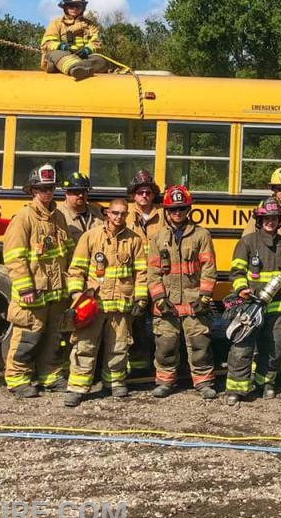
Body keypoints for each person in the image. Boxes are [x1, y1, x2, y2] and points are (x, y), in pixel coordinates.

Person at [63, 198, 147, 407]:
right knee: (85, 345)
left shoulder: (134, 240)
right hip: (95, 305)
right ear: (107, 214)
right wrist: (76, 295)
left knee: (119, 347)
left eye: (123, 214)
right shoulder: (91, 237)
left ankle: (115, 381)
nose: (119, 217)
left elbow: (142, 273)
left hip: (121, 304)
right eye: (115, 213)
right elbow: (77, 270)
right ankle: (77, 387)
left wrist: (141, 298)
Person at [2, 163, 73, 398]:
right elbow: (14, 256)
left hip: (56, 293)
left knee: (54, 337)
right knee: (28, 336)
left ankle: (50, 375)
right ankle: (17, 379)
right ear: (33, 190)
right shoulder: (24, 218)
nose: (47, 192)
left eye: (51, 188)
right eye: (42, 188)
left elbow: (68, 253)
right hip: (34, 293)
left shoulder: (59, 216)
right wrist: (25, 288)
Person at [146, 185, 219, 400]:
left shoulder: (201, 235)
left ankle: (204, 382)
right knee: (165, 345)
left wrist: (205, 297)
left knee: (200, 344)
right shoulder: (158, 238)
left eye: (181, 208)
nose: (177, 213)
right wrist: (159, 298)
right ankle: (165, 382)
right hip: (166, 303)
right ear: (166, 211)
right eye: (173, 209)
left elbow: (209, 268)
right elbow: (152, 272)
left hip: (194, 302)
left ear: (188, 209)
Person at [224, 198, 281, 405]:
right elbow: (237, 271)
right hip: (251, 305)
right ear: (259, 219)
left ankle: (266, 383)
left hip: (279, 308)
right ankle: (236, 389)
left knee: (274, 349)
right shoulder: (247, 242)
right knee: (242, 346)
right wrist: (242, 289)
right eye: (266, 217)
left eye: (274, 218)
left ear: (279, 220)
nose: (270, 221)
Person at [126, 169, 163, 379]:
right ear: (133, 194)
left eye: (148, 192)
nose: (144, 196)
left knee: (161, 323)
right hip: (135, 278)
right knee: (136, 324)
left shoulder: (163, 216)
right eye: (140, 192)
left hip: (159, 278)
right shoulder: (125, 216)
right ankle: (139, 366)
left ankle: (162, 365)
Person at [40, 0, 110, 80]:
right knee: (54, 54)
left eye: (78, 6)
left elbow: (96, 43)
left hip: (83, 58)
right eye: (71, 6)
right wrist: (61, 47)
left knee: (101, 60)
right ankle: (75, 69)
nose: (75, 8)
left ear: (83, 8)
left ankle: (80, 69)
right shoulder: (56, 23)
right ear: (65, 7)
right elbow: (46, 43)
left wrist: (87, 50)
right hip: (60, 59)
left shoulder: (90, 25)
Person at [60, 172, 103, 251]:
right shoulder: (59, 215)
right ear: (66, 193)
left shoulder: (96, 212)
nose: (81, 195)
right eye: (76, 192)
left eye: (84, 192)